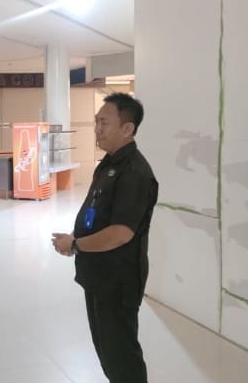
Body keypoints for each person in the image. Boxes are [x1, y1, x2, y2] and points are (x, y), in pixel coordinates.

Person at [52, 92, 158, 383]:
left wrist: (75, 245)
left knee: (121, 356)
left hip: (118, 280)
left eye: (104, 123)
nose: (97, 129)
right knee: (108, 352)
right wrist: (76, 236)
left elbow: (121, 233)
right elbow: (98, 213)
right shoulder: (110, 164)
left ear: (127, 128)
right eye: (96, 122)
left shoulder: (134, 172)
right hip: (99, 275)